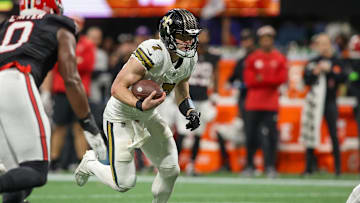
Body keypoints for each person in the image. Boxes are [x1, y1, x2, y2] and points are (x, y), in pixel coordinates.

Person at [74, 8, 201, 203]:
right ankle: (90, 163)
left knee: (171, 169)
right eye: (182, 36)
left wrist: (190, 111)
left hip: (147, 116)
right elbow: (117, 88)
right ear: (167, 35)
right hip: (121, 116)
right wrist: (139, 103)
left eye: (191, 36)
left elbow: (182, 91)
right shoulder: (153, 52)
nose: (188, 41)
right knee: (124, 184)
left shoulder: (189, 59)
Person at [0, 1, 106, 203]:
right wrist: (88, 123)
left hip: (7, 81)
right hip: (15, 81)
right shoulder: (57, 23)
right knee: (36, 171)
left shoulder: (7, 24)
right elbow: (71, 78)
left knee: (20, 178)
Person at [49, 20, 97, 171]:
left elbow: (87, 65)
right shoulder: (60, 42)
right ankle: (54, 160)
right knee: (59, 126)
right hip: (62, 90)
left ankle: (81, 160)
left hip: (80, 90)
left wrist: (68, 61)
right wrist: (75, 61)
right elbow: (56, 64)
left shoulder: (87, 44)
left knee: (80, 126)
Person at [174, 29, 223, 175]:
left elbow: (216, 75)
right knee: (182, 134)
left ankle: (192, 165)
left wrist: (216, 93)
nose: (203, 38)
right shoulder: (186, 54)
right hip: (186, 99)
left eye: (206, 35)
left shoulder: (213, 57)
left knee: (198, 134)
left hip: (202, 100)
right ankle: (173, 165)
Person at [243, 25, 287, 178]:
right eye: (264, 39)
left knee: (272, 137)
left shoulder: (279, 57)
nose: (266, 41)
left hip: (271, 104)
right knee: (251, 136)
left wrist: (262, 78)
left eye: (269, 39)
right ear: (260, 41)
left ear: (272, 40)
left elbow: (281, 79)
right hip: (253, 104)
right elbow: (249, 81)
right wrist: (269, 80)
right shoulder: (253, 58)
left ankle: (270, 167)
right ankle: (249, 166)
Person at [301, 33, 347, 176]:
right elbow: (306, 80)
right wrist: (315, 72)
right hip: (315, 103)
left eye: (324, 43)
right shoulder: (313, 61)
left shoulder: (336, 61)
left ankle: (337, 169)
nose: (322, 46)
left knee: (333, 134)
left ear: (329, 44)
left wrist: (330, 71)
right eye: (319, 43)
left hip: (330, 102)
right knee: (310, 132)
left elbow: (344, 78)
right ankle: (309, 167)